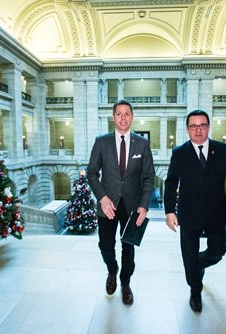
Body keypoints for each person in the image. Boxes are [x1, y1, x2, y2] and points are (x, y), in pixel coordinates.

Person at [164, 109, 226, 312]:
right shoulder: (179, 153)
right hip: (188, 213)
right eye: (193, 126)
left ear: (208, 127)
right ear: (187, 129)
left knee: (218, 251)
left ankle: (198, 264)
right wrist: (170, 211)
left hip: (215, 212)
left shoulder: (223, 150)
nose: (198, 130)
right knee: (188, 253)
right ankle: (195, 290)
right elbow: (170, 184)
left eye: (202, 125)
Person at [87, 99, 155, 305]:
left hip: (133, 206)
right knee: (105, 245)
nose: (123, 117)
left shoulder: (142, 143)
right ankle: (112, 269)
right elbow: (91, 173)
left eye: (127, 114)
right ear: (113, 117)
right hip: (108, 204)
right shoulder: (101, 141)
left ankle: (125, 283)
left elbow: (149, 177)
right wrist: (102, 197)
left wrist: (144, 205)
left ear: (132, 117)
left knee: (129, 247)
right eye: (119, 114)